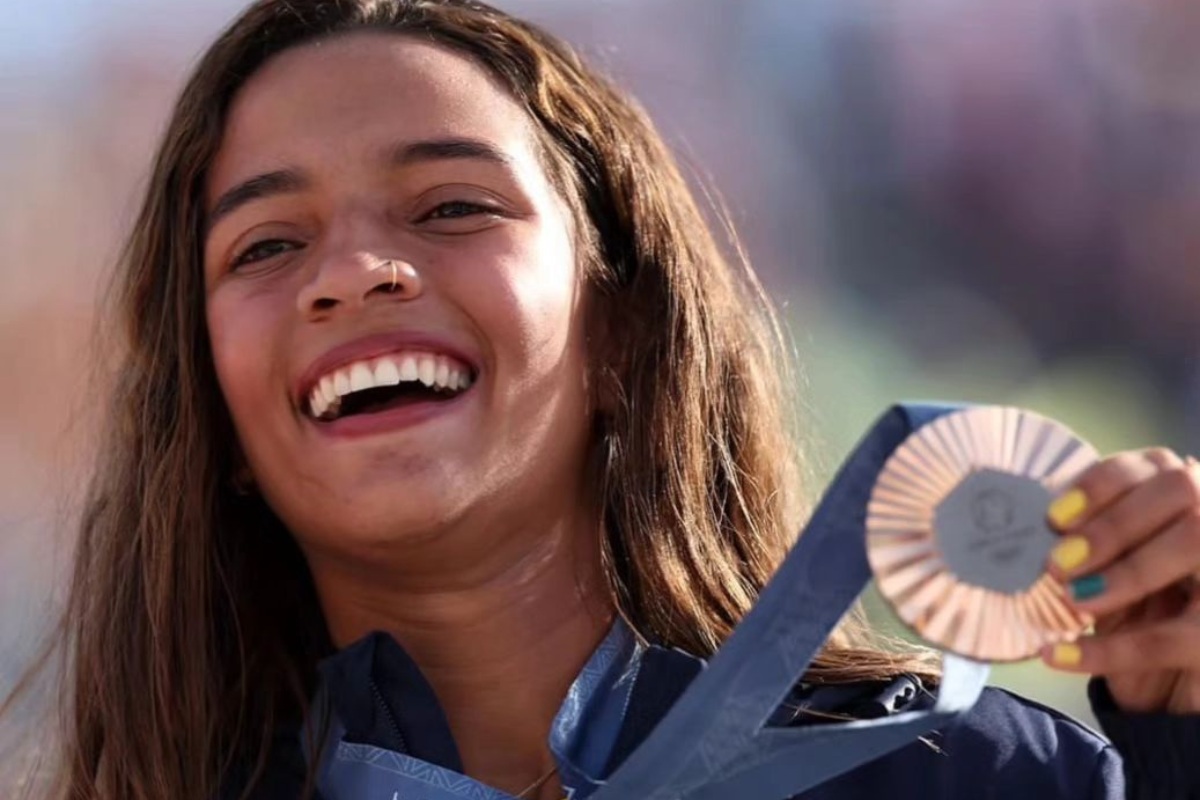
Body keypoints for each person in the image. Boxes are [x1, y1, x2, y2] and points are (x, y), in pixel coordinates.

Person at [9, 0, 1199, 798]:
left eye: (451, 206)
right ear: (213, 408)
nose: (354, 271)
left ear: (623, 327)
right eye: (266, 244)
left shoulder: (963, 773)